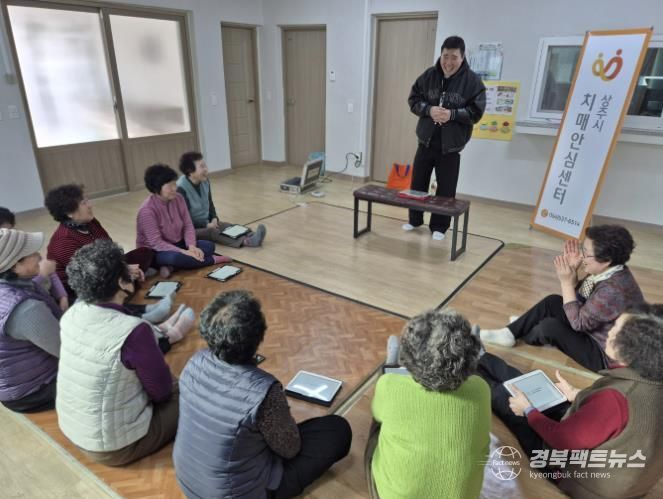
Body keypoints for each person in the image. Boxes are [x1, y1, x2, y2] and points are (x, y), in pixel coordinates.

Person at [173, 290, 352, 499]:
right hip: (237, 494)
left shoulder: (194, 362)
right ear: (258, 336)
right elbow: (290, 449)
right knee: (336, 429)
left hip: (189, 482)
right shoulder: (264, 391)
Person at [476, 304, 663, 498]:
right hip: (623, 475)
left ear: (632, 347)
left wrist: (528, 411)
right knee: (534, 387)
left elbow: (562, 441)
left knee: (505, 399)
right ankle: (480, 357)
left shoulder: (615, 398)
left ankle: (470, 368)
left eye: (615, 328)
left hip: (578, 478)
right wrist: (577, 394)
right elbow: (623, 419)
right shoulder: (651, 380)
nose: (609, 332)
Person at [56, 240, 180, 466]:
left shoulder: (72, 314)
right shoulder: (134, 331)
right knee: (190, 390)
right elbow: (162, 392)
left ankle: (166, 329)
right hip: (116, 446)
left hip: (75, 430)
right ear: (122, 282)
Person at [480, 225, 644, 372]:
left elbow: (578, 323)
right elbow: (583, 299)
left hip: (603, 354)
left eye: (586, 254)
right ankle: (512, 331)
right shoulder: (609, 271)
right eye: (583, 249)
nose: (581, 256)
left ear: (606, 260)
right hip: (593, 329)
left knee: (549, 327)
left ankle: (524, 330)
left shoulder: (613, 291)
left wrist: (565, 283)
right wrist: (572, 273)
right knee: (552, 301)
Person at [365, 309, 490, 499]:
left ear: (408, 357)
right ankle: (472, 358)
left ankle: (390, 365)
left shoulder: (390, 386)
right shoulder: (481, 389)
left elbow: (378, 413)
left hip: (394, 495)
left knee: (379, 422)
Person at [404, 35, 486, 241]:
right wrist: (428, 110)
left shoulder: (473, 82)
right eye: (445, 56)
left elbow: (476, 112)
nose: (448, 62)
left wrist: (453, 114)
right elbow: (413, 99)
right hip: (425, 141)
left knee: (446, 189)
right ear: (441, 55)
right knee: (418, 183)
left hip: (451, 147)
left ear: (462, 57)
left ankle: (439, 226)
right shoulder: (428, 76)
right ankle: (415, 220)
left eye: (454, 57)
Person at [44, 185, 155, 304]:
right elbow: (91, 276)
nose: (90, 205)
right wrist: (124, 271)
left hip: (103, 271)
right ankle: (128, 293)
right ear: (69, 212)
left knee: (144, 252)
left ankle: (130, 283)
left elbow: (111, 250)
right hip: (84, 287)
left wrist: (124, 268)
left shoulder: (90, 222)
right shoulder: (63, 241)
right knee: (115, 284)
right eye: (84, 203)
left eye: (87, 200)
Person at [0, 228, 61, 413]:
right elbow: (66, 350)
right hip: (34, 391)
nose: (39, 256)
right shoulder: (26, 309)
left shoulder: (18, 286)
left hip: (14, 384)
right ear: (14, 266)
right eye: (32, 253)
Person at [137, 164, 231, 278]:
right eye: (169, 186)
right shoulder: (147, 211)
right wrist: (184, 252)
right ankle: (211, 260)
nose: (174, 188)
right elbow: (156, 243)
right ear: (156, 188)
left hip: (179, 243)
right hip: (156, 251)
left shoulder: (178, 198)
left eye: (174, 184)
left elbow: (188, 225)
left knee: (209, 246)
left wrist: (191, 246)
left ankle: (171, 267)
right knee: (174, 258)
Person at [176, 151, 266, 248]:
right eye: (202, 167)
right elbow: (184, 220)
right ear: (190, 171)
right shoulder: (181, 189)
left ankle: (251, 235)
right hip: (190, 230)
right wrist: (206, 225)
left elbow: (210, 203)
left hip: (206, 222)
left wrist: (214, 218)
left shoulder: (205, 181)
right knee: (212, 231)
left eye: (205, 165)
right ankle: (247, 241)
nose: (206, 169)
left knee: (225, 226)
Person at [1, 206, 68, 312]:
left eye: (12, 229)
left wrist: (62, 296)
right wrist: (42, 274)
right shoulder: (8, 281)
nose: (12, 234)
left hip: (49, 300)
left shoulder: (22, 247)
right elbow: (24, 291)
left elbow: (49, 270)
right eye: (5, 231)